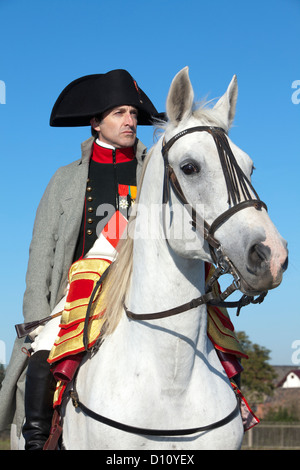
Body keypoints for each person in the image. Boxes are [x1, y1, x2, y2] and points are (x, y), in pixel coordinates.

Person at [0, 69, 160, 450]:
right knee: (42, 354)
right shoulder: (65, 180)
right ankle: (37, 440)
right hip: (77, 295)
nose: (129, 121)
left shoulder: (155, 170)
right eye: (119, 113)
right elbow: (41, 251)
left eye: (134, 114)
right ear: (95, 123)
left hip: (141, 293)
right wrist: (38, 314)